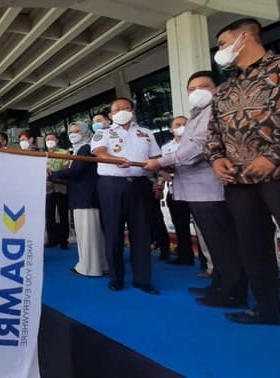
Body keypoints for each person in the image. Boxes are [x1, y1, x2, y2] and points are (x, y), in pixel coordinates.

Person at [205, 18, 280, 346]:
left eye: (222, 43)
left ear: (244, 37)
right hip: (239, 181)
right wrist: (216, 157)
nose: (219, 52)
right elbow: (213, 134)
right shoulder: (225, 89)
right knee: (252, 246)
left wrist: (276, 154)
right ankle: (267, 309)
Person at [144, 70, 248, 309]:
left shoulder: (214, 111)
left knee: (222, 243)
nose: (196, 92)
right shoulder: (198, 115)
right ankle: (220, 283)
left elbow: (197, 149)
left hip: (210, 190)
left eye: (203, 86)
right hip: (196, 190)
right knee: (213, 243)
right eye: (191, 89)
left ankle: (233, 291)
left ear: (217, 88)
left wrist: (160, 162)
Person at [91, 97, 162, 295]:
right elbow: (99, 152)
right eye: (117, 109)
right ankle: (116, 277)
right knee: (113, 232)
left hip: (140, 185)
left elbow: (155, 158)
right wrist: (117, 160)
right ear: (111, 115)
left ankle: (143, 279)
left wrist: (159, 176)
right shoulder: (103, 132)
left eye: (126, 108)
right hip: (112, 185)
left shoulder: (146, 133)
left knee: (141, 233)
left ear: (132, 110)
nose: (122, 111)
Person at [49, 121, 107, 276]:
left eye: (77, 131)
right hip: (85, 195)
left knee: (87, 234)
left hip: (85, 196)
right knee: (93, 234)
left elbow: (75, 171)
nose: (73, 135)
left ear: (85, 132)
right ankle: (100, 264)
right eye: (70, 132)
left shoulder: (86, 148)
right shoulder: (80, 149)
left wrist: (52, 175)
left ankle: (90, 268)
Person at [159, 116, 195, 265]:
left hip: (196, 191)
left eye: (184, 124)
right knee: (180, 225)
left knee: (204, 227)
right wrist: (163, 175)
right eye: (178, 124)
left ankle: (210, 262)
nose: (181, 127)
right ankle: (185, 256)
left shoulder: (196, 144)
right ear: (170, 129)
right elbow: (161, 167)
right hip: (175, 190)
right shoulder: (166, 148)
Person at [45, 132, 70, 249]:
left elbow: (66, 169)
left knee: (62, 214)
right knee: (49, 214)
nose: (49, 140)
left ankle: (63, 240)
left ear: (57, 140)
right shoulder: (43, 154)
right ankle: (52, 239)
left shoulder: (64, 153)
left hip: (61, 187)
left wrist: (53, 176)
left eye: (51, 138)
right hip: (47, 188)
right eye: (47, 139)